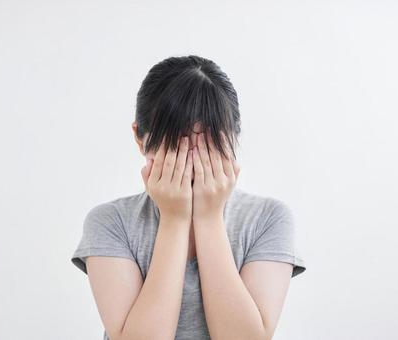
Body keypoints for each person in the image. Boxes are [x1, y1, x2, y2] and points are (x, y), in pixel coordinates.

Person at [71, 55, 306, 340]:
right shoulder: (110, 223)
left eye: (208, 143)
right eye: (177, 142)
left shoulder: (268, 219)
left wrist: (208, 218)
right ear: (140, 137)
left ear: (234, 136)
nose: (193, 160)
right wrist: (174, 219)